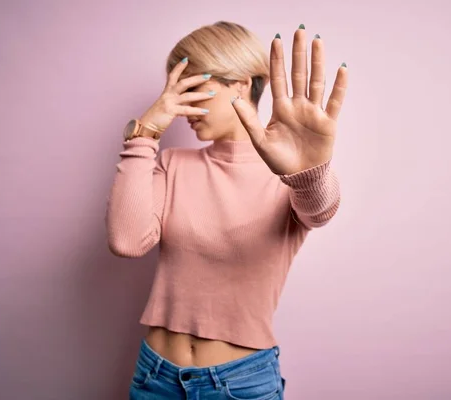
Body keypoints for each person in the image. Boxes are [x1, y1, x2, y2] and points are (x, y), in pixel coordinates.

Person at [106, 20, 348, 400]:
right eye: (174, 90)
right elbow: (127, 240)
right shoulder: (172, 163)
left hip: (241, 385)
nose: (181, 105)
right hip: (155, 377)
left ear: (239, 84)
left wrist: (308, 172)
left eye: (194, 87)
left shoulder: (289, 172)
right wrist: (145, 134)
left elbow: (320, 211)